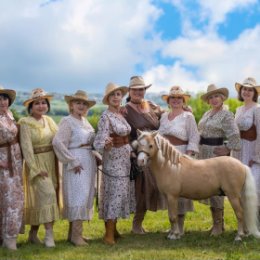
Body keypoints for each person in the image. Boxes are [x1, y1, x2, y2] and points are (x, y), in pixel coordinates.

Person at [52, 90, 97, 246]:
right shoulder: (67, 121)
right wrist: (72, 161)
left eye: (84, 104)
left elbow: (90, 141)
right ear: (71, 105)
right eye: (78, 102)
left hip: (88, 160)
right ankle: (76, 236)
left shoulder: (85, 122)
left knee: (85, 195)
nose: (81, 106)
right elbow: (57, 142)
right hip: (76, 161)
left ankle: (74, 234)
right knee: (78, 196)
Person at [124, 76, 167, 234]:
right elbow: (123, 133)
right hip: (139, 152)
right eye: (135, 89)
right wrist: (130, 150)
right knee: (143, 187)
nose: (138, 92)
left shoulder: (151, 105)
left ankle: (140, 223)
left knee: (155, 186)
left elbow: (165, 117)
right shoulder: (125, 110)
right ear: (129, 91)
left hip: (155, 152)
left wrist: (185, 110)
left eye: (141, 89)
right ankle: (136, 224)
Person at [94, 82, 135, 245]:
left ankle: (114, 230)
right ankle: (108, 235)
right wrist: (106, 142)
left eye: (118, 94)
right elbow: (99, 139)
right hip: (113, 159)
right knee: (114, 194)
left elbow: (125, 136)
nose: (116, 97)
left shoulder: (120, 114)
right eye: (113, 95)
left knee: (119, 193)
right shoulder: (106, 116)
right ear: (108, 99)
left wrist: (130, 149)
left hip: (124, 159)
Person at [19, 88, 60, 247]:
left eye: (44, 103)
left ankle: (33, 234)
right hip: (36, 163)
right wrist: (34, 169)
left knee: (43, 200)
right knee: (47, 195)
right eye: (37, 103)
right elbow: (26, 148)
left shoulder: (49, 121)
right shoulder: (25, 123)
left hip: (51, 161)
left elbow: (59, 139)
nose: (41, 106)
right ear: (31, 106)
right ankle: (49, 236)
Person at [198, 84, 241, 235]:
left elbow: (235, 135)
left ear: (222, 98)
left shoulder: (226, 114)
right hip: (203, 154)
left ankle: (218, 225)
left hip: (216, 154)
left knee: (216, 188)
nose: (214, 99)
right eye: (211, 97)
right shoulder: (207, 113)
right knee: (209, 188)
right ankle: (216, 224)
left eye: (216, 96)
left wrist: (227, 148)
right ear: (208, 100)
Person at [158, 86, 199, 235]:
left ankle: (180, 226)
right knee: (169, 190)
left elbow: (194, 136)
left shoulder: (188, 117)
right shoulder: (163, 117)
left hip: (180, 154)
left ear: (183, 101)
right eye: (173, 98)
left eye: (179, 98)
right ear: (168, 101)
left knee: (180, 189)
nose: (175, 100)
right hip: (164, 157)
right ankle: (172, 224)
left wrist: (188, 155)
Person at [231, 77, 260, 214]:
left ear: (255, 93)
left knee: (253, 183)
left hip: (252, 149)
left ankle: (256, 220)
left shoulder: (257, 109)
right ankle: (244, 221)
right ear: (240, 91)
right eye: (244, 89)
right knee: (240, 184)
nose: (247, 92)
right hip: (239, 150)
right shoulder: (238, 109)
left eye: (250, 90)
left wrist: (256, 156)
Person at [0, 87, 24, 250]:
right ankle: (9, 238)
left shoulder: (9, 115)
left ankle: (7, 236)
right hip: (2, 160)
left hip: (15, 159)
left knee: (15, 197)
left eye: (4, 98)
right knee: (9, 200)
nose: (2, 102)